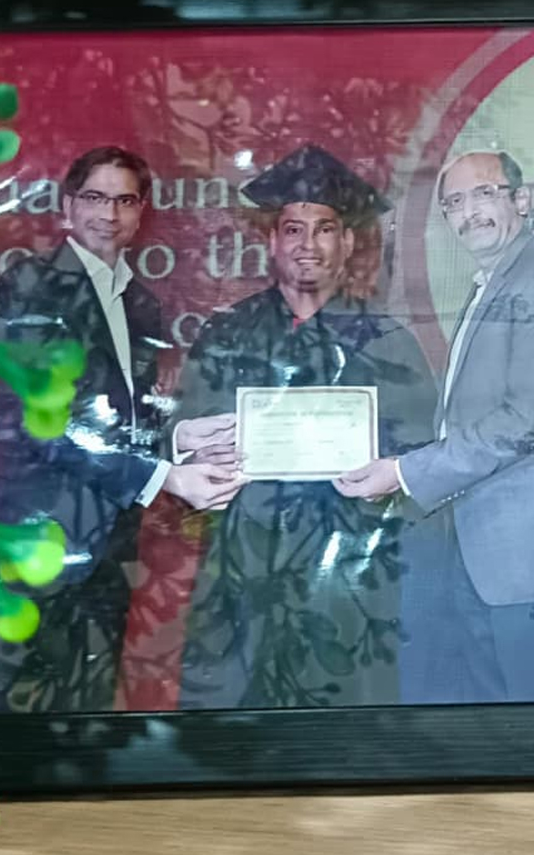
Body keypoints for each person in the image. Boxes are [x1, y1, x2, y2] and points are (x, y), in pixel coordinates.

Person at [0, 146, 243, 713]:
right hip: (27, 545)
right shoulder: (32, 285)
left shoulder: (140, 304)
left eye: (124, 201)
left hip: (108, 549)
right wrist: (167, 478)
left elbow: (122, 421)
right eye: (94, 197)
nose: (108, 214)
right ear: (68, 206)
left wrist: (180, 438)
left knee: (87, 722)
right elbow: (44, 424)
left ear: (140, 213)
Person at [336, 149, 534, 704]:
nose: (469, 212)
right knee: (495, 717)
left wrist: (405, 471)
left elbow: (526, 421)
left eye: (484, 194)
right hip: (486, 549)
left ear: (523, 200)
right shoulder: (494, 279)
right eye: (454, 203)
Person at [170, 144, 437, 710]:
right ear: (272, 241)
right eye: (293, 229)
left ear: (348, 244)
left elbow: (419, 463)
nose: (307, 245)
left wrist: (388, 479)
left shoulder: (387, 344)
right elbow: (183, 444)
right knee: (232, 726)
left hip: (348, 579)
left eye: (325, 230)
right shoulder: (227, 336)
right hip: (242, 575)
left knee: (344, 729)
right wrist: (200, 461)